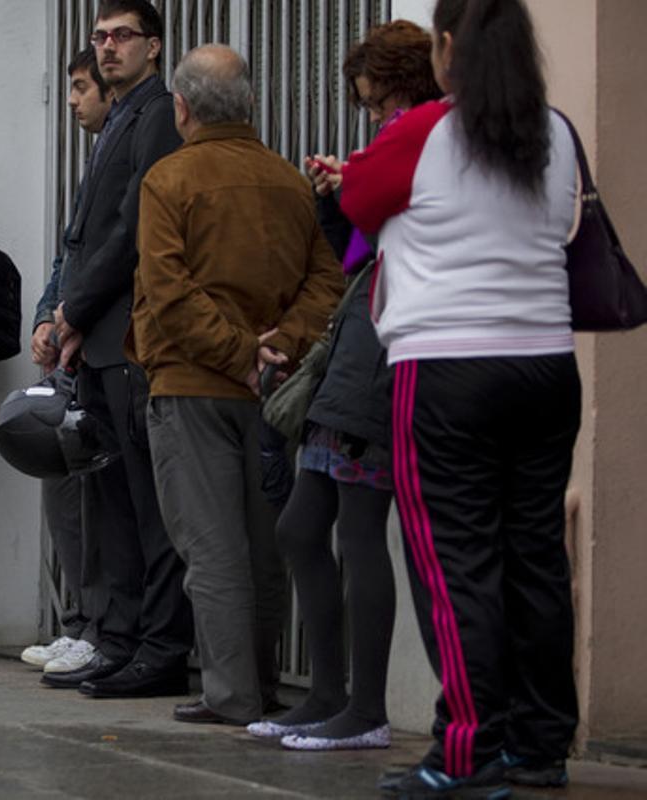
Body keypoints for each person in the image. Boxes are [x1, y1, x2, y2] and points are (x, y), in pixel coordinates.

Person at [338, 0, 582, 794]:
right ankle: (539, 742)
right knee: (535, 557)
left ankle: (467, 753)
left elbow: (357, 205)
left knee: (456, 565)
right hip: (545, 364)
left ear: (446, 48)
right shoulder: (556, 132)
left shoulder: (420, 131)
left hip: (447, 369)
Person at [129, 44, 341, 725]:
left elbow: (168, 290)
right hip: (272, 390)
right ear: (250, 104)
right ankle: (264, 688)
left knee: (211, 548)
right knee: (261, 548)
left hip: (195, 384)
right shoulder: (289, 182)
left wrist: (235, 353)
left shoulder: (168, 179)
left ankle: (231, 696)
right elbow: (327, 283)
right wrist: (275, 349)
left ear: (182, 107)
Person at [250, 20, 442, 752]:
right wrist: (341, 193)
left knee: (359, 531)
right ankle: (331, 696)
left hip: (384, 346)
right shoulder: (408, 138)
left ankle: (364, 709)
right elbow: (356, 245)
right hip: (360, 337)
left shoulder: (425, 132)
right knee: (304, 527)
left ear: (396, 85)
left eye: (372, 98)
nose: (370, 114)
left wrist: (351, 181)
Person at [42, 0, 194, 701]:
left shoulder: (158, 113)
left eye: (122, 36)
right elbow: (86, 233)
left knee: (148, 508)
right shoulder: (116, 119)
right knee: (111, 508)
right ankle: (122, 639)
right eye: (100, 37)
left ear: (154, 48)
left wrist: (74, 308)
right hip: (96, 341)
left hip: (128, 337)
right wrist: (63, 315)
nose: (107, 48)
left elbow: (136, 223)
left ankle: (161, 649)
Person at [21, 46, 113, 676]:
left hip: (104, 354)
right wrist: (43, 320)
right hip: (68, 357)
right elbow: (68, 259)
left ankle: (101, 627)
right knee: (63, 496)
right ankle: (79, 620)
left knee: (100, 502)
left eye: (82, 87)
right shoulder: (93, 162)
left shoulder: (127, 151)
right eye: (73, 86)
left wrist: (70, 318)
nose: (73, 98)